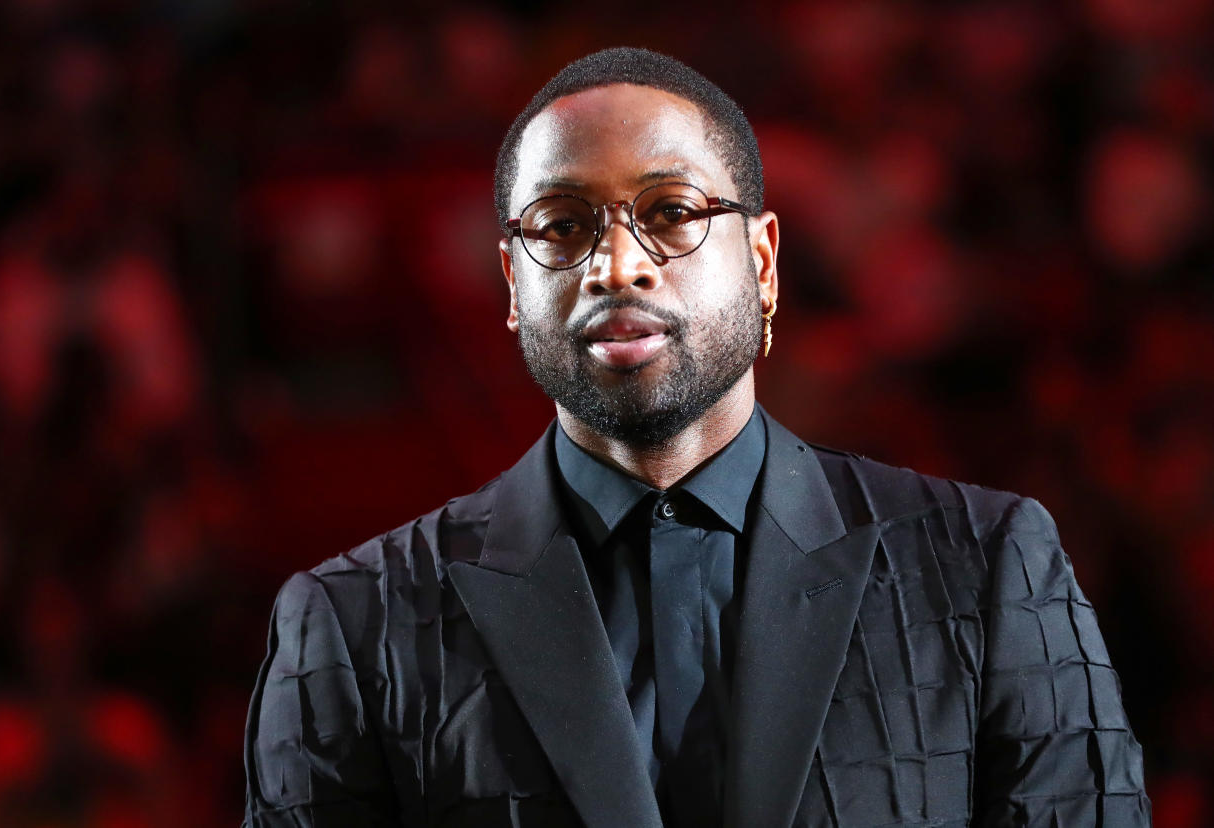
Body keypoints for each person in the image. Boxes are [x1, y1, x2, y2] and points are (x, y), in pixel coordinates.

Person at [242, 48, 1149, 827]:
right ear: (514, 289)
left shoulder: (986, 570)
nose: (617, 263)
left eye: (671, 213)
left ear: (761, 264)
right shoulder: (351, 626)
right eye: (563, 226)